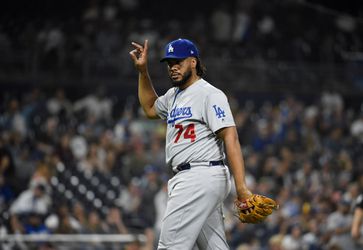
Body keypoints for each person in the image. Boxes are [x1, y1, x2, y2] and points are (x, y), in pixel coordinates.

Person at [129, 38, 253, 249]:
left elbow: (230, 137)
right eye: (169, 63)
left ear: (193, 62)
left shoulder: (209, 94)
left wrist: (241, 188)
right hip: (198, 178)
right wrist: (143, 71)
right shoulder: (173, 96)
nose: (173, 68)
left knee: (170, 246)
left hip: (199, 176)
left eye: (178, 61)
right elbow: (150, 108)